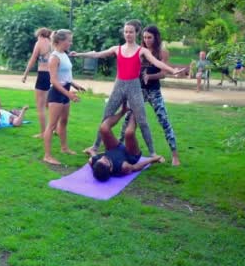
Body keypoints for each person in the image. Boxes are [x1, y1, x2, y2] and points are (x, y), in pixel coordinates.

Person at [71, 20, 184, 158]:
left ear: (136, 33)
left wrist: (172, 70)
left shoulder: (142, 50)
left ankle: (153, 153)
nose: (128, 34)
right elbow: (97, 54)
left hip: (134, 87)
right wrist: (79, 54)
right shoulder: (116, 49)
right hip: (119, 86)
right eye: (126, 32)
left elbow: (157, 62)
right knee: (106, 116)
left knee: (142, 121)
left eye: (131, 31)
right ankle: (94, 147)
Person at [118, 26, 181, 166]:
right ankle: (117, 149)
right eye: (145, 37)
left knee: (164, 120)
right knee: (127, 120)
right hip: (139, 90)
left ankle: (175, 155)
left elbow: (163, 74)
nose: (146, 40)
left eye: (149, 37)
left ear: (156, 37)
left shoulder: (162, 52)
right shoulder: (140, 50)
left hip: (154, 91)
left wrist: (150, 76)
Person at [89, 103, 165, 182]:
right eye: (105, 161)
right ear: (110, 168)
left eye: (100, 159)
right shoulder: (123, 167)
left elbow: (94, 157)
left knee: (103, 128)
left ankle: (123, 111)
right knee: (129, 133)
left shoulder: (94, 162)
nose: (103, 157)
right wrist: (153, 159)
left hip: (114, 148)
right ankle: (134, 111)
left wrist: (91, 151)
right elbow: (135, 167)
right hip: (131, 155)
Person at [42, 30, 86, 165]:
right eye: (69, 40)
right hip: (56, 93)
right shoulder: (54, 57)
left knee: (64, 121)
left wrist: (75, 85)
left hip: (65, 91)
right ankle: (47, 155)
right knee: (52, 125)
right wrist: (69, 94)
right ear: (60, 41)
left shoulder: (64, 55)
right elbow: (54, 80)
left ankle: (64, 148)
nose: (70, 43)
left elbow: (66, 75)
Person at [22, 28, 54, 138]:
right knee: (50, 105)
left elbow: (32, 59)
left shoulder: (39, 43)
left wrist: (25, 74)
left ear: (40, 35)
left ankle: (43, 132)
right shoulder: (52, 44)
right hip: (53, 75)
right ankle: (56, 129)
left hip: (43, 75)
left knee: (40, 106)